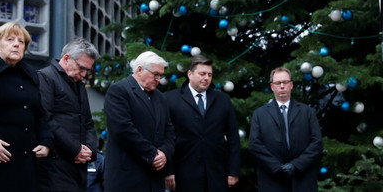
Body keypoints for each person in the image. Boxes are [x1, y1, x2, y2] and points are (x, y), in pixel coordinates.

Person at [0, 22, 53, 191]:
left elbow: (39, 113)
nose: (16, 44)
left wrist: (46, 141)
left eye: (21, 41)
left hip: (26, 158)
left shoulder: (31, 74)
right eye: (10, 39)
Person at [164, 55, 241, 191]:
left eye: (209, 74)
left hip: (217, 175)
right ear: (190, 74)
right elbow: (166, 137)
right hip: (184, 175)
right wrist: (168, 171)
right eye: (202, 74)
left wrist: (233, 171)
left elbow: (233, 138)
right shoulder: (170, 99)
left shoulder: (223, 100)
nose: (206, 78)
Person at [103, 51, 175, 192]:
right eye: (155, 74)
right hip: (127, 176)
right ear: (140, 69)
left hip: (154, 178)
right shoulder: (119, 90)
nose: (158, 79)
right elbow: (123, 130)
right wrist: (152, 154)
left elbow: (169, 130)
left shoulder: (160, 97)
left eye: (161, 75)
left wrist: (164, 153)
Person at [37, 37, 100, 191]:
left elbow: (88, 122)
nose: (84, 74)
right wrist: (75, 149)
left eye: (87, 70)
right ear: (66, 58)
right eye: (81, 68)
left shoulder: (79, 85)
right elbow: (46, 118)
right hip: (55, 162)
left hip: (78, 165)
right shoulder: (45, 76)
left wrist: (90, 151)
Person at [248, 67, 323, 192]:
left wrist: (296, 166)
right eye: (278, 83)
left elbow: (317, 143)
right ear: (272, 87)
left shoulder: (307, 112)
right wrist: (277, 168)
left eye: (285, 82)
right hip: (272, 180)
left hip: (302, 179)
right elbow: (254, 145)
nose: (282, 86)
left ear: (291, 85)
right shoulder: (259, 114)